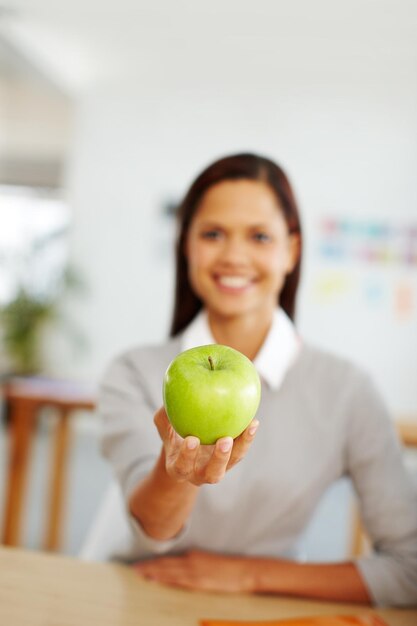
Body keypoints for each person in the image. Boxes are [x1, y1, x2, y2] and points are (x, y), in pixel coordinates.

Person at [98, 153, 417, 606]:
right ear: (186, 246)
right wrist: (178, 475)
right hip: (136, 598)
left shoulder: (347, 390)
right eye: (212, 234)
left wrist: (248, 575)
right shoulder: (133, 373)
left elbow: (410, 569)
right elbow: (154, 533)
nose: (233, 256)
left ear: (293, 250)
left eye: (260, 236)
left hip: (269, 609)